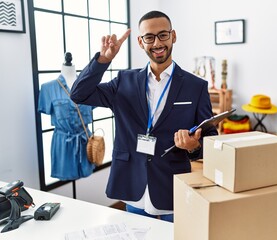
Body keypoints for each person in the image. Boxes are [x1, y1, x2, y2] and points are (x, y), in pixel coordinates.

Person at [70, 10, 218, 222]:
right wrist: (103, 60)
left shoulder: (196, 86)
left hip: (172, 185)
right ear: (141, 42)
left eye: (163, 35)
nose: (157, 43)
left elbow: (210, 135)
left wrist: (193, 146)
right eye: (149, 37)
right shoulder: (123, 81)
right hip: (132, 182)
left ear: (173, 36)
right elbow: (78, 94)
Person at [38, 53, 95, 181]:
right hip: (63, 142)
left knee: (85, 172)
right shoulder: (48, 88)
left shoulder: (88, 86)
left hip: (85, 140)